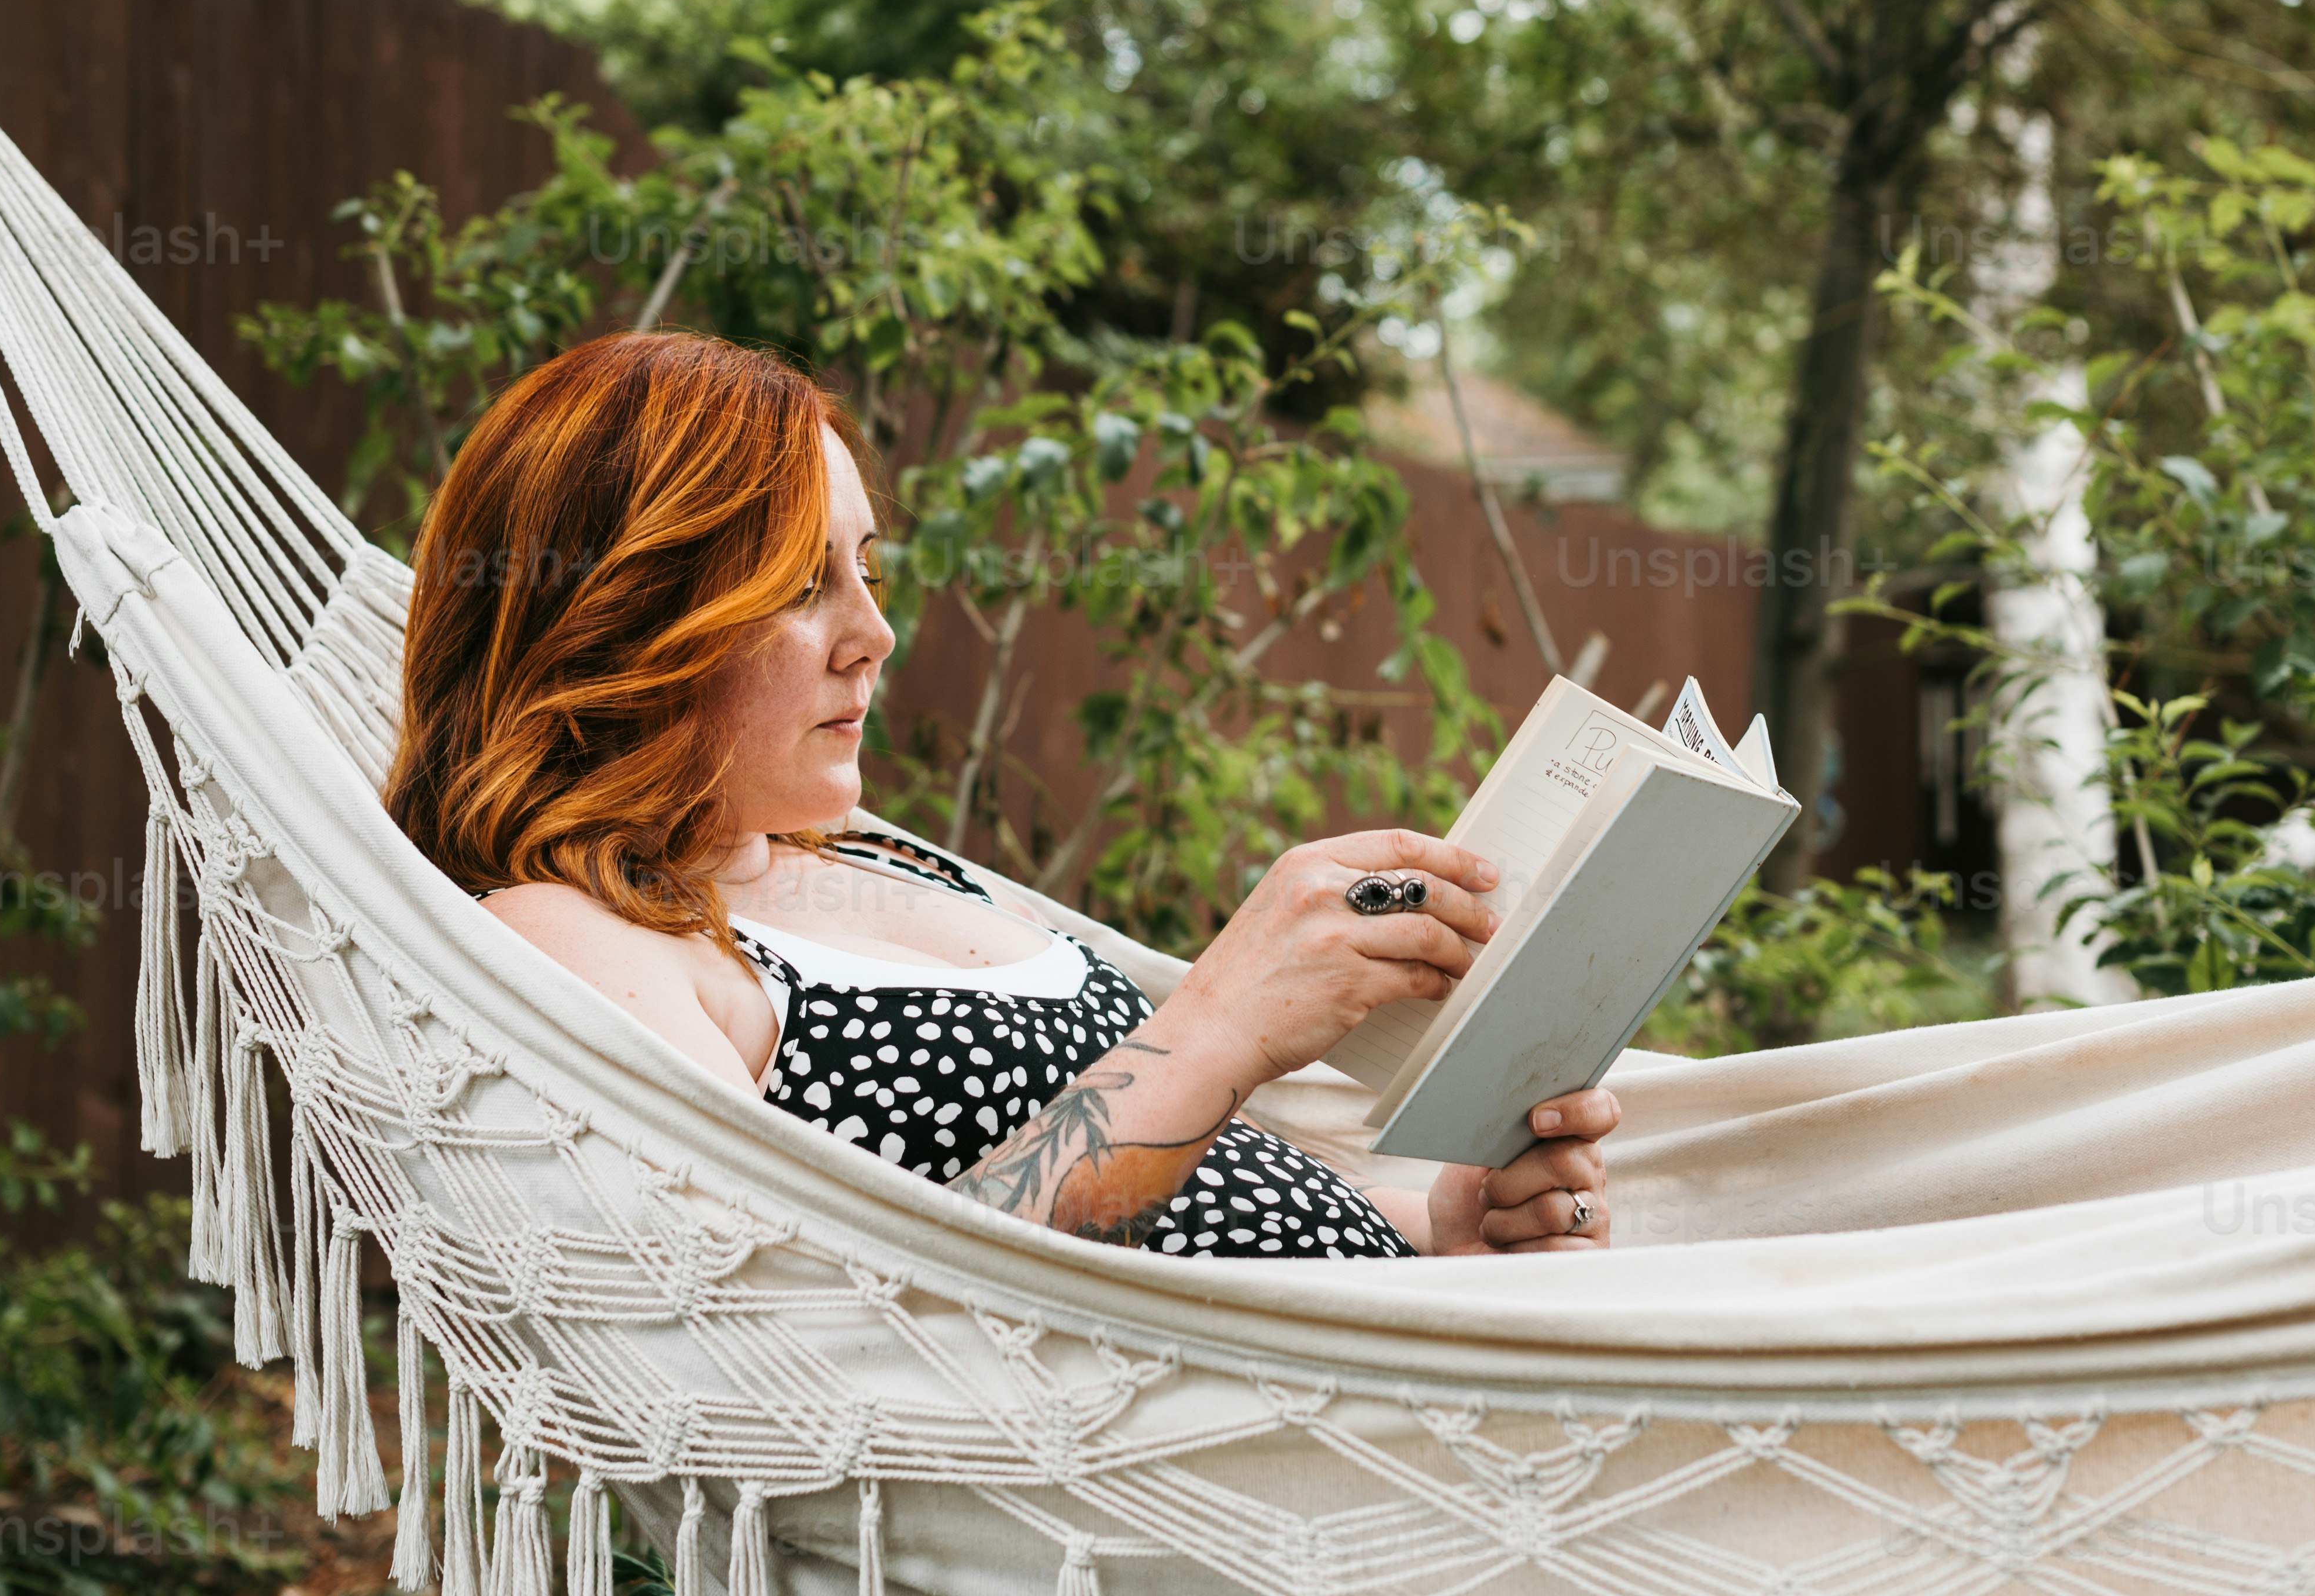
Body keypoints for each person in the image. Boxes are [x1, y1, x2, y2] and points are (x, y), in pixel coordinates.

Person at [387, 331, 1618, 1260]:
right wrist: (1218, 1025)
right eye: (799, 583)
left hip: (1393, 1353)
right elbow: (810, 1309)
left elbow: (1189, 1188)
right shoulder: (573, 935)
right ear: (618, 617)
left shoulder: (867, 858)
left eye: (865, 569)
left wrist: (1435, 1224)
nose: (872, 633)